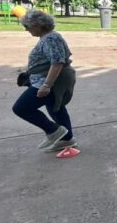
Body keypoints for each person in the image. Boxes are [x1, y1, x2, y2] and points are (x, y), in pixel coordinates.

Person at [12, 10, 77, 153]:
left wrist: (47, 85)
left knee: (21, 108)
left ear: (38, 25)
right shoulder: (47, 37)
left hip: (50, 81)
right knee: (56, 108)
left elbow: (57, 63)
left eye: (28, 26)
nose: (26, 30)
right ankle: (67, 139)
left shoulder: (50, 39)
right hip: (46, 79)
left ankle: (54, 131)